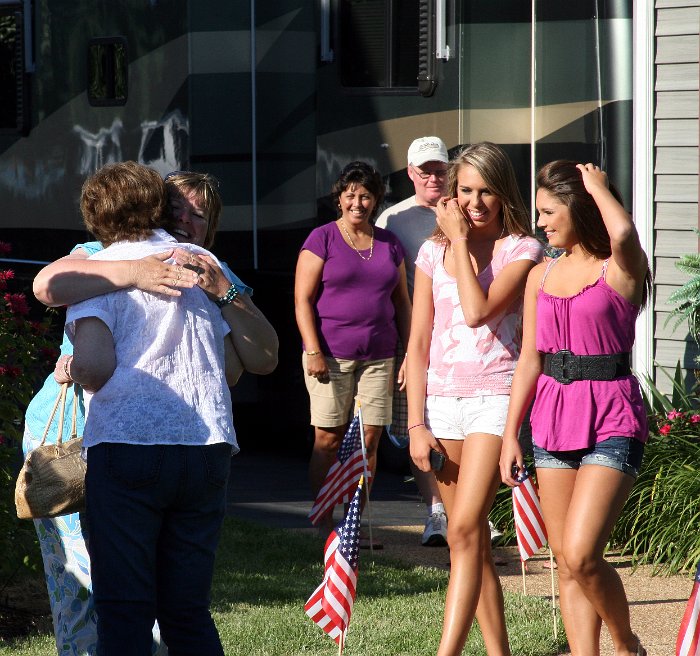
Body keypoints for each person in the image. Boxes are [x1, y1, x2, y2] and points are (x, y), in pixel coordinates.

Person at [25, 169, 277, 655]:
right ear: (155, 208)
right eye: (175, 208)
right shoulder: (194, 262)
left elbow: (96, 366)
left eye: (197, 214)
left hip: (125, 448)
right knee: (187, 611)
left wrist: (76, 367)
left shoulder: (112, 272)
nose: (184, 220)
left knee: (124, 611)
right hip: (204, 450)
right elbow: (231, 367)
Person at [499, 161, 650, 656]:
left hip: (611, 414)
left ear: (580, 209)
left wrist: (598, 187)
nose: (540, 222)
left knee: (585, 554)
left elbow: (623, 229)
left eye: (548, 211)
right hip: (551, 417)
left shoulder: (620, 268)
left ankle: (627, 646)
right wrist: (509, 434)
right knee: (564, 560)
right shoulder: (541, 274)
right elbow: (529, 359)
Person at [406, 142, 543, 655]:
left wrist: (461, 245)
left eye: (486, 190)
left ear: (503, 191)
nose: (475, 201)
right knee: (471, 545)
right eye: (465, 190)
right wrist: (415, 422)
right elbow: (418, 341)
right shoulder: (429, 251)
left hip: (495, 396)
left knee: (464, 528)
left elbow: (477, 310)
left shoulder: (522, 249)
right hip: (441, 402)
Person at [294, 160, 411, 545]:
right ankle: (324, 522)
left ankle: (351, 524)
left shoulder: (389, 244)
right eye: (350, 195)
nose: (357, 203)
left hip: (379, 355)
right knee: (328, 438)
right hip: (330, 355)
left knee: (369, 441)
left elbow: (403, 304)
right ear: (339, 199)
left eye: (365, 196)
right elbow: (302, 300)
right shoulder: (322, 239)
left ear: (376, 200)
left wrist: (409, 353)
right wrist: (312, 349)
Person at [375, 136, 451, 547]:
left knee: (463, 422)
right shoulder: (393, 220)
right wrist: (400, 347)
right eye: (425, 171)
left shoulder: (464, 209)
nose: (433, 177)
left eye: (439, 169)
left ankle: (467, 510)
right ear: (411, 173)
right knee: (418, 424)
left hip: (465, 337)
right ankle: (436, 512)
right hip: (417, 337)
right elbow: (385, 286)